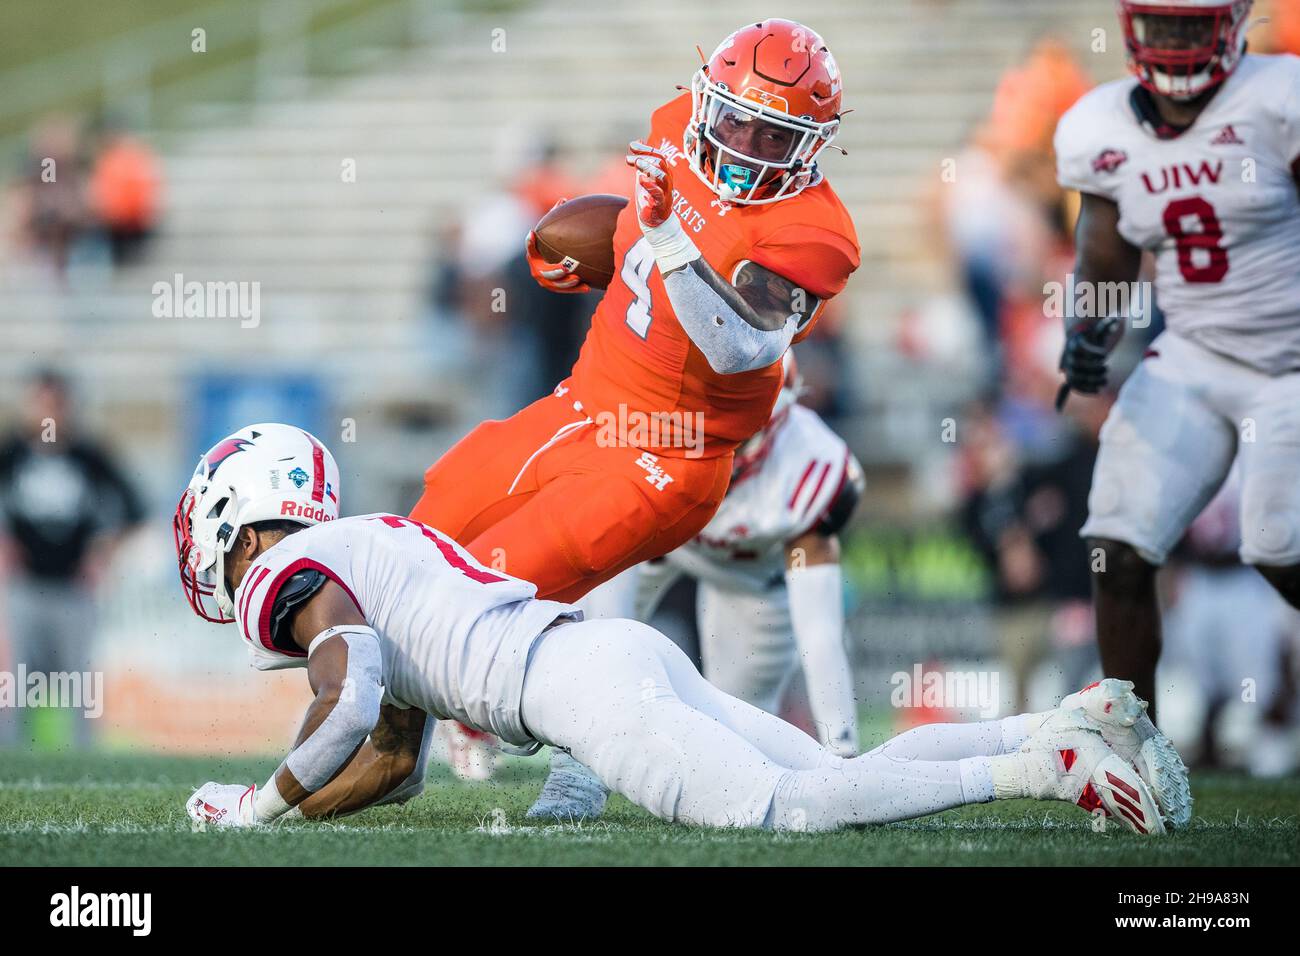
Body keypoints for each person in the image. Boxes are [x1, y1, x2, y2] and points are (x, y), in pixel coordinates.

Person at [176, 424, 1181, 835]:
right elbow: (393, 757)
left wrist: (250, 807)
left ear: (244, 514)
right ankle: (1073, 714)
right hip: (609, 651)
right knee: (836, 774)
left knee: (793, 809)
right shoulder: (371, 547)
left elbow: (347, 691)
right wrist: (289, 812)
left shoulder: (287, 566)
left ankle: (1042, 767)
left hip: (581, 689)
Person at [408, 19, 860, 605]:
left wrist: (665, 235)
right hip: (580, 403)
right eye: (733, 121)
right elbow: (639, 229)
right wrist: (594, 255)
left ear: (811, 143)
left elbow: (736, 347)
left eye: (772, 136)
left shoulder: (810, 234)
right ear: (706, 103)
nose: (742, 146)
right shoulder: (675, 127)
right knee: (420, 540)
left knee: (481, 595)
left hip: (667, 457)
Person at [1053, 0, 1300, 719]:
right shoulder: (1099, 125)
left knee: (1281, 552)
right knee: (1117, 545)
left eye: (1191, 24)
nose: (1176, 40)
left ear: (1230, 23)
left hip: (1290, 362)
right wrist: (1089, 331)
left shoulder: (1277, 95)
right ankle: (1135, 746)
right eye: (1162, 24)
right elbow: (1104, 253)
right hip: (1193, 354)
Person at [528, 354, 864, 819]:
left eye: (744, 424)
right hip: (660, 540)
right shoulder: (658, 421)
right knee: (596, 631)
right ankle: (575, 771)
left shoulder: (811, 466)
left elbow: (820, 635)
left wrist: (842, 751)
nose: (729, 435)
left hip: (749, 580)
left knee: (737, 725)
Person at [0, 370, 144, 746]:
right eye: (41, 404)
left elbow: (134, 508)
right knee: (16, 685)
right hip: (25, 590)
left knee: (80, 683)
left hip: (74, 592)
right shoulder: (11, 455)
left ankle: (83, 759)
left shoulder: (88, 456)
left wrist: (104, 551)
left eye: (55, 405)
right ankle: (12, 761)